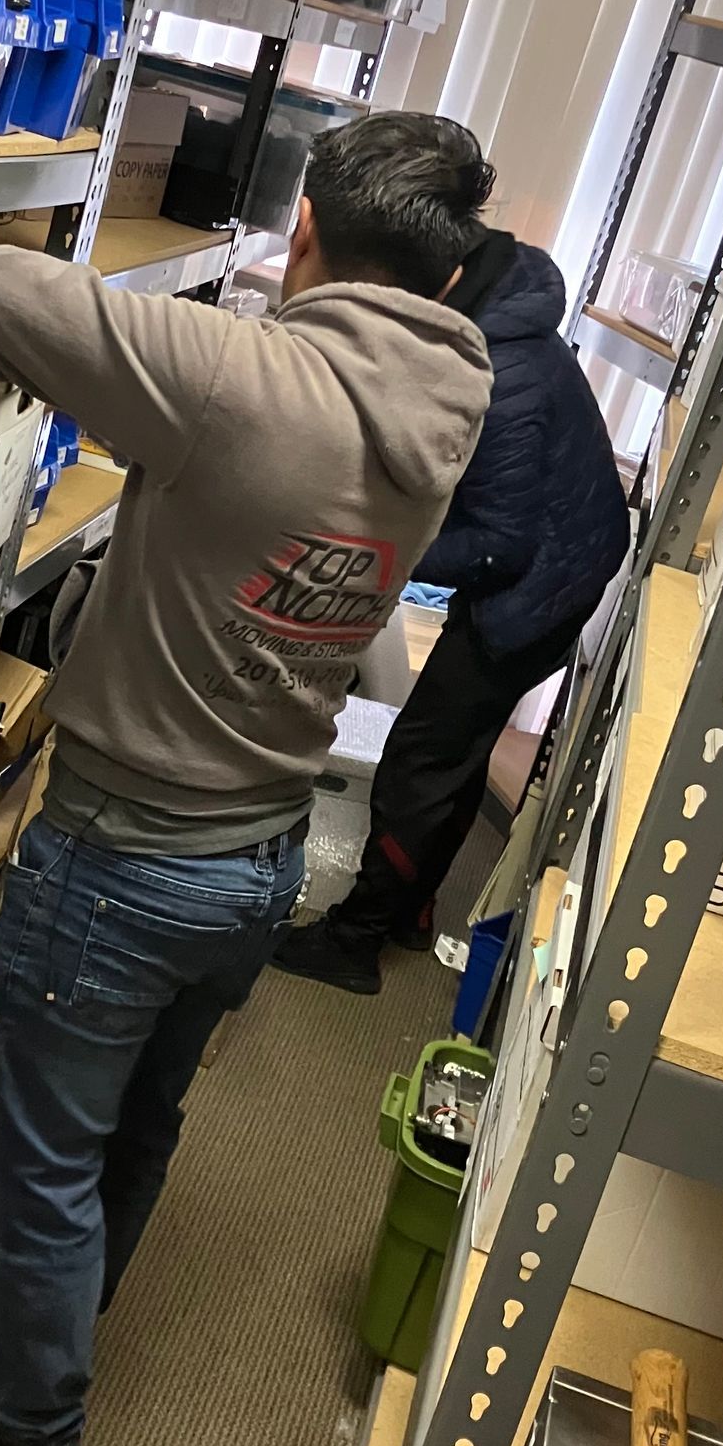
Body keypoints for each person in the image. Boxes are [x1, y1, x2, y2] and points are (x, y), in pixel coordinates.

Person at [0, 112, 495, 1446]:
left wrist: (254, 310)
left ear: (308, 230)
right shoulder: (451, 400)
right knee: (133, 1131)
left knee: (41, 1157)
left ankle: (33, 1444)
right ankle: (47, 1333)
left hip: (127, 859)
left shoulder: (242, 380)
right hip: (257, 856)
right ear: (448, 283)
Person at [271, 213, 631, 994]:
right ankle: (411, 909)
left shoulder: (501, 375)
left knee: (418, 761)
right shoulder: (496, 330)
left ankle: (356, 940)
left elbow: (499, 544)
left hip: (536, 589)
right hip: (562, 562)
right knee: (455, 755)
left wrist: (383, 550)